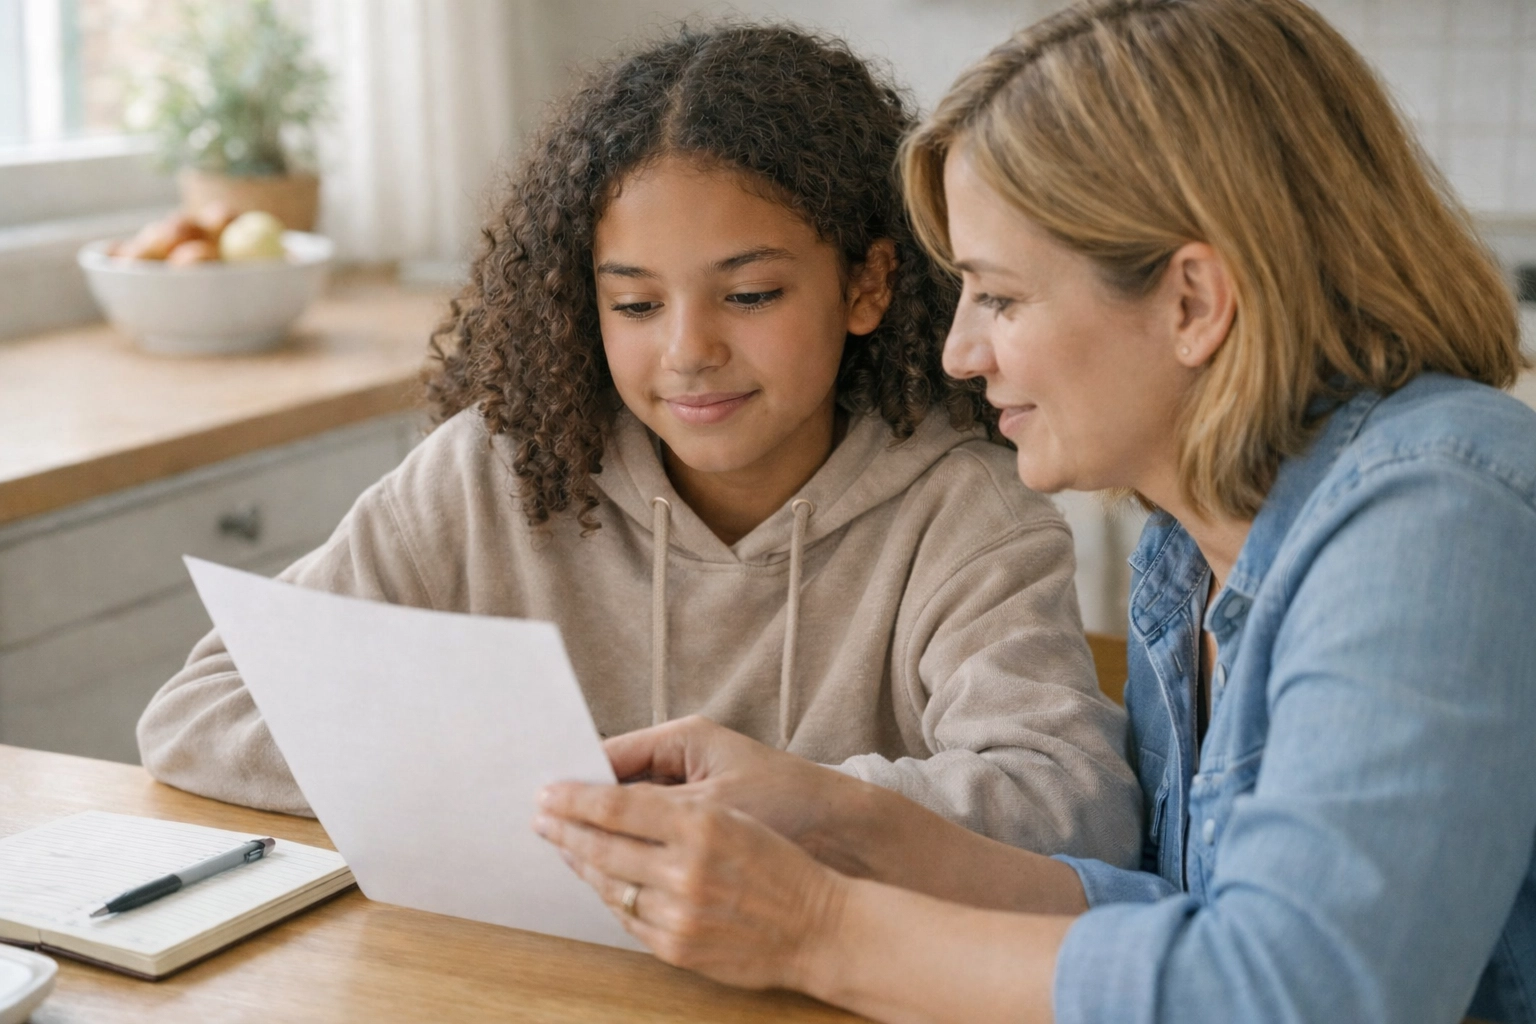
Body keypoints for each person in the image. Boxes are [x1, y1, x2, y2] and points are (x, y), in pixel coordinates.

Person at [531, 2, 1536, 1022]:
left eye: (1001, 297)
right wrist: (833, 817)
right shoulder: (1188, 558)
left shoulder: (1436, 515)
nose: (960, 351)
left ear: (1192, 302)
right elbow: (1183, 925)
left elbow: (1291, 991)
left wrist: (817, 927)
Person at [136, 24, 1141, 861]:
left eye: (750, 295)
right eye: (635, 301)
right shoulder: (493, 474)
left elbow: (1075, 804)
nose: (689, 350)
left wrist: (761, 807)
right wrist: (547, 790)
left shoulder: (961, 512)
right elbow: (201, 712)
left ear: (866, 285)